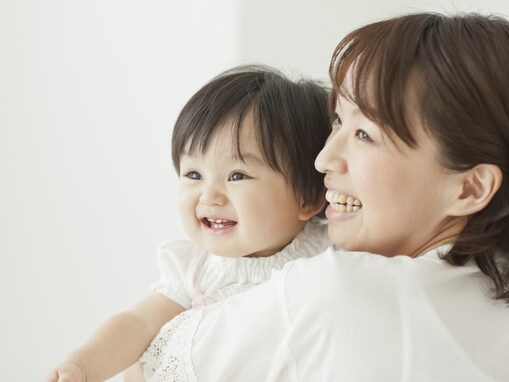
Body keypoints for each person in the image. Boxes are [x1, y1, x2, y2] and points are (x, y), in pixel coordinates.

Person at [139, 12, 508, 381]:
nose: (323, 159)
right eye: (337, 120)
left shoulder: (331, 290)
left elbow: (148, 368)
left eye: (365, 134)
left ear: (470, 188)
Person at [45, 66, 332, 382]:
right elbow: (137, 325)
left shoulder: (329, 252)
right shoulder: (194, 268)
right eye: (193, 174)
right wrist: (83, 366)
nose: (209, 196)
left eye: (237, 176)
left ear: (307, 197)